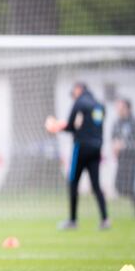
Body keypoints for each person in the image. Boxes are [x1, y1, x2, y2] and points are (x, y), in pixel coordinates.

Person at [45, 82, 110, 230]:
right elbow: (95, 125)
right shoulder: (99, 105)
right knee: (96, 185)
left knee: (73, 182)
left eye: (73, 91)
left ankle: (73, 221)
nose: (73, 95)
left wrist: (56, 126)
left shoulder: (79, 103)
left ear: (79, 89)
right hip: (96, 149)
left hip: (80, 148)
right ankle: (105, 219)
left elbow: (71, 126)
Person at [111, 98, 135, 219]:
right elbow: (114, 138)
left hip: (133, 160)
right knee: (119, 186)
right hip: (122, 160)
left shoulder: (134, 124)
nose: (119, 109)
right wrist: (114, 147)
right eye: (118, 107)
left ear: (128, 108)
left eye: (121, 107)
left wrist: (124, 146)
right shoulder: (117, 123)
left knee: (130, 186)